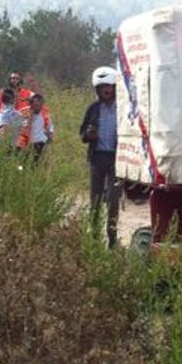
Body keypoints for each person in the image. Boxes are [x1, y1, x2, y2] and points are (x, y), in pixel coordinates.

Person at [81, 66, 120, 246]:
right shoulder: (93, 109)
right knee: (95, 199)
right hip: (97, 159)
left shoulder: (123, 108)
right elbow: (82, 135)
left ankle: (112, 237)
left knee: (113, 199)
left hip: (116, 159)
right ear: (97, 89)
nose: (107, 89)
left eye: (110, 86)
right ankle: (94, 236)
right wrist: (89, 135)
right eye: (103, 86)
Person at [17, 91, 55, 164]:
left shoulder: (45, 112)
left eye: (40, 105)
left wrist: (50, 135)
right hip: (25, 143)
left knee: (36, 163)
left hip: (40, 143)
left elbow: (50, 126)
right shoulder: (23, 112)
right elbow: (16, 125)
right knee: (22, 164)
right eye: (36, 105)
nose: (38, 107)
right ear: (31, 104)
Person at [0, 87, 25, 152]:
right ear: (13, 99)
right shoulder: (7, 113)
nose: (17, 99)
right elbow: (4, 129)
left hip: (4, 147)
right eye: (15, 97)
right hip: (5, 148)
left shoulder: (3, 112)